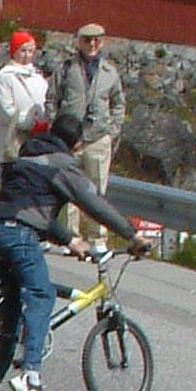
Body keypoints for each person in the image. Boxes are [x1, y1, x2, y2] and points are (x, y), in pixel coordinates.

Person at [0, 114, 152, 391]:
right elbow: (94, 204)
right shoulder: (62, 164)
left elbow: (32, 209)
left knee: (11, 308)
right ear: (77, 144)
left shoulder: (29, 157)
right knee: (42, 294)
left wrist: (70, 240)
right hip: (19, 236)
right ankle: (31, 376)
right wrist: (132, 235)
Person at [48, 23, 126, 240]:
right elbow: (52, 99)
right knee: (68, 188)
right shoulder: (66, 69)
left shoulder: (110, 72)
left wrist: (112, 131)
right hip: (68, 140)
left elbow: (118, 103)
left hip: (98, 139)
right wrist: (56, 127)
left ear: (103, 42)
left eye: (96, 40)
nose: (92, 44)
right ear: (79, 42)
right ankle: (70, 236)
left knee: (97, 190)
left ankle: (97, 238)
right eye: (87, 40)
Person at [0, 31, 49, 163]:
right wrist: (29, 123)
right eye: (23, 51)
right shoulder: (5, 77)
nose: (26, 55)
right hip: (13, 138)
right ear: (14, 51)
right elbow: (5, 111)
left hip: (37, 138)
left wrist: (43, 122)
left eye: (30, 51)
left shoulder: (38, 77)